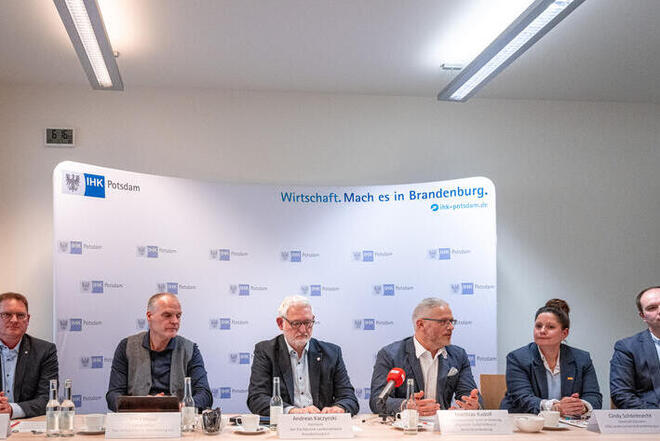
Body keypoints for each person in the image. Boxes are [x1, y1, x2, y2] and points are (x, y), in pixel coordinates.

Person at [247, 295, 359, 415]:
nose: (303, 330)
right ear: (280, 323)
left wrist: (339, 408)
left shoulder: (332, 353)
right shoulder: (266, 351)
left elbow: (348, 398)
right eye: (296, 323)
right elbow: (257, 398)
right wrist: (292, 411)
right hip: (285, 424)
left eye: (307, 323)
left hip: (321, 423)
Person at [369, 297, 482, 416]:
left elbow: (470, 394)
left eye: (451, 322)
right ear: (421, 324)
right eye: (443, 322)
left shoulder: (458, 355)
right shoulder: (390, 355)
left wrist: (473, 405)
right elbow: (377, 401)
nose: (451, 327)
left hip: (442, 425)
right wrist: (406, 406)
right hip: (406, 424)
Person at [106, 293, 212, 411]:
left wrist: (179, 406)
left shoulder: (190, 349)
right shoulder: (126, 346)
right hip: (138, 419)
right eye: (167, 315)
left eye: (178, 316)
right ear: (149, 316)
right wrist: (142, 404)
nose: (175, 321)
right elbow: (113, 396)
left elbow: (205, 395)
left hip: (178, 418)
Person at [500, 299, 601, 415]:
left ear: (564, 333)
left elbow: (594, 397)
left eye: (550, 327)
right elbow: (523, 399)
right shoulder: (518, 358)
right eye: (538, 326)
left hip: (568, 423)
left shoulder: (582, 359)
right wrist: (555, 407)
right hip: (525, 420)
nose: (542, 331)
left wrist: (580, 406)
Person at [0, 292, 58, 418]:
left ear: (28, 319)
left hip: (28, 424)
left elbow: (48, 398)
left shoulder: (45, 351)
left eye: (20, 315)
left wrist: (11, 410)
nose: (14, 320)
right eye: (6, 315)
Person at [610, 286, 660, 409]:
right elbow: (621, 394)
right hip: (650, 417)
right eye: (652, 308)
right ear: (643, 316)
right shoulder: (627, 348)